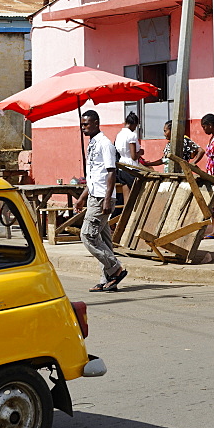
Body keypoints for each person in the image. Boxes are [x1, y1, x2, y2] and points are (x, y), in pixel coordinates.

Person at [74, 110, 127, 293]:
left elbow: (111, 172)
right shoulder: (92, 143)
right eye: (82, 124)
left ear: (96, 123)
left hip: (102, 199)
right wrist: (82, 198)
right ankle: (108, 279)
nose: (83, 128)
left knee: (87, 235)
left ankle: (115, 268)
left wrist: (106, 199)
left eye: (86, 124)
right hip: (93, 196)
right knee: (103, 239)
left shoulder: (105, 144)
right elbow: (95, 176)